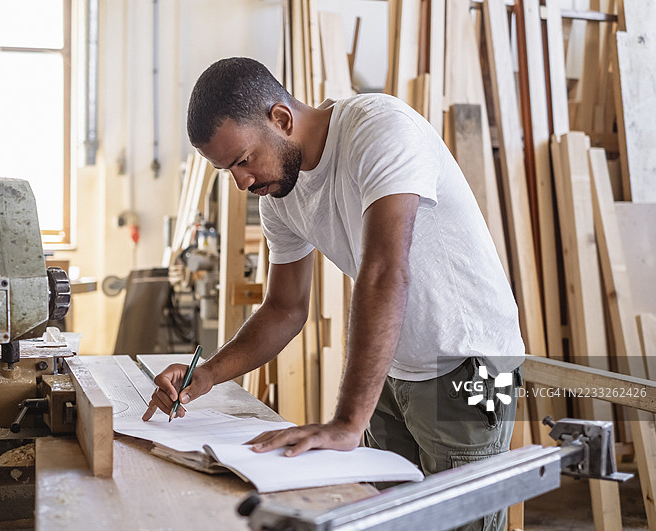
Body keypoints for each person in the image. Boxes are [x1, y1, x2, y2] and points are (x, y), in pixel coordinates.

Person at [142, 57, 524, 530]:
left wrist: (346, 423)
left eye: (242, 160)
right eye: (227, 171)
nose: (242, 182)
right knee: (384, 519)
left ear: (280, 118)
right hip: (393, 366)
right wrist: (210, 373)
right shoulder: (280, 196)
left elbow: (386, 271)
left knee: (462, 522)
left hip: (471, 363)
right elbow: (284, 309)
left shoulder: (380, 128)